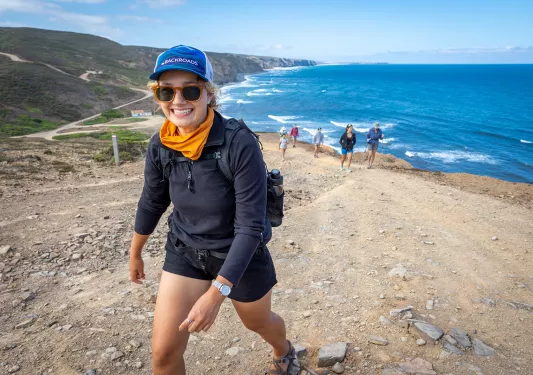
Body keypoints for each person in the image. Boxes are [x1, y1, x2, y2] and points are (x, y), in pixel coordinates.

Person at [129, 45, 299, 375]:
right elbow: (152, 201)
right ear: (158, 96)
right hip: (185, 251)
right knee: (163, 356)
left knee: (259, 323)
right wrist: (136, 252)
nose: (178, 101)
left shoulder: (238, 143)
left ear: (208, 94)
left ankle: (284, 349)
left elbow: (250, 227)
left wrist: (216, 293)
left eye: (190, 90)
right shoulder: (161, 144)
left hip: (240, 255)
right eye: (167, 91)